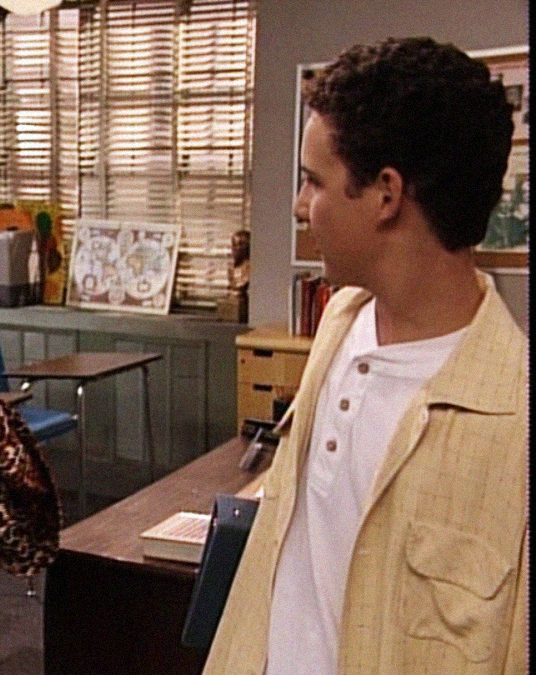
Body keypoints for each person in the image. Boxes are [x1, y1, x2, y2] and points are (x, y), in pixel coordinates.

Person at [203, 38, 526, 675]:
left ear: (385, 195)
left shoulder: (516, 416)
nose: (299, 205)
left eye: (314, 181)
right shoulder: (338, 326)